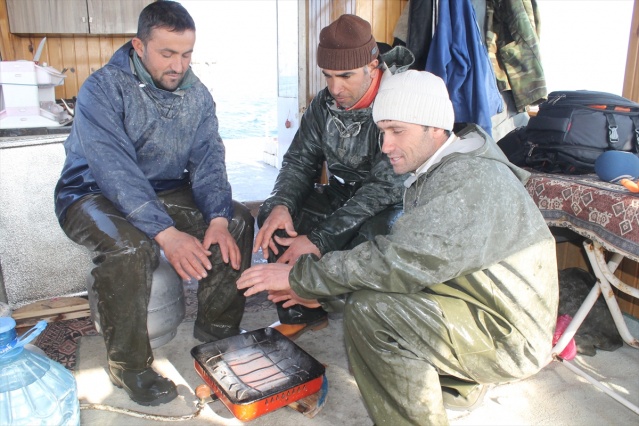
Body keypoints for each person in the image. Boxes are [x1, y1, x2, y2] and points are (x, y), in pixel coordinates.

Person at [238, 70, 559, 425]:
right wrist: (324, 297)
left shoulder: (467, 181)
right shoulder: (444, 165)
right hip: (478, 304)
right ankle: (458, 383)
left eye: (397, 131)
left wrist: (302, 278)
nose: (386, 145)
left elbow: (397, 262)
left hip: (508, 336)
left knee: (372, 314)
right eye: (382, 132)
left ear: (434, 127)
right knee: (369, 296)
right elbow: (414, 268)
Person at [54, 1, 254, 406]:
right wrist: (167, 234)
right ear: (139, 46)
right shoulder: (102, 88)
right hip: (91, 191)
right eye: (167, 53)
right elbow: (114, 171)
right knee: (132, 246)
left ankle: (216, 332)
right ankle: (129, 366)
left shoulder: (198, 95)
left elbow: (209, 160)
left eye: (186, 54)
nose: (178, 65)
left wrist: (216, 216)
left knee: (237, 221)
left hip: (164, 189)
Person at [253, 14, 414, 340]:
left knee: (381, 230)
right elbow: (299, 162)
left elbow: (383, 190)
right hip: (344, 194)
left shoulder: (401, 99)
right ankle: (303, 311)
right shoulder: (323, 105)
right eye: (327, 76)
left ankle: (370, 322)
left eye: (345, 76)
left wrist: (317, 240)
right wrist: (283, 203)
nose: (334, 88)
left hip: (396, 201)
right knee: (276, 217)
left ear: (372, 66)